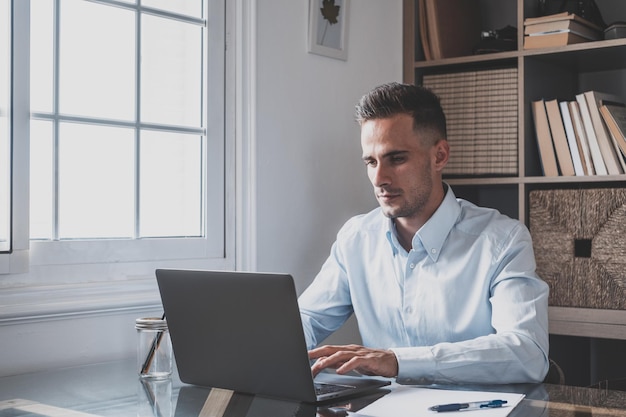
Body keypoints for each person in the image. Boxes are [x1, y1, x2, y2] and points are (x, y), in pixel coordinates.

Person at [298, 82, 550, 385]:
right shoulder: (356, 238)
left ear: (439, 156)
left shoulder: (503, 240)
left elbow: (527, 353)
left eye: (397, 159)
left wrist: (397, 361)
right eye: (371, 162)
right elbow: (307, 319)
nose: (380, 178)